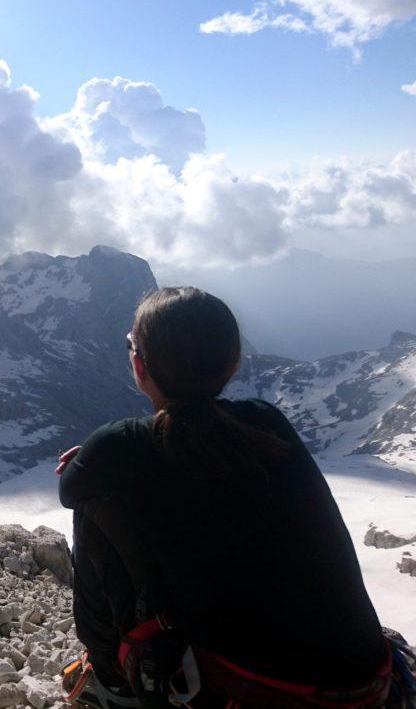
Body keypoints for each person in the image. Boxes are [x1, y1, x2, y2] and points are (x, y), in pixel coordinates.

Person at [56, 286, 398, 709]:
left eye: (131, 343)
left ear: (140, 365)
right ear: (231, 362)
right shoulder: (266, 421)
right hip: (368, 679)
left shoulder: (121, 444)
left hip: (260, 690)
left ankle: (113, 685)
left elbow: (70, 490)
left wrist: (99, 460)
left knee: (95, 506)